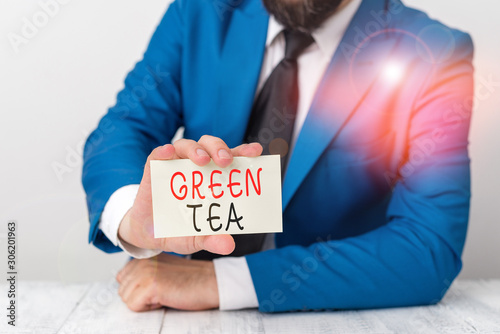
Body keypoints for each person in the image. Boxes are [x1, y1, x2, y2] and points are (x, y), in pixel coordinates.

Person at [82, 0, 474, 312]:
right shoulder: (200, 12)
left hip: (332, 314)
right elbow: (122, 130)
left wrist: (221, 281)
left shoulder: (433, 54)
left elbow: (427, 247)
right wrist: (134, 218)